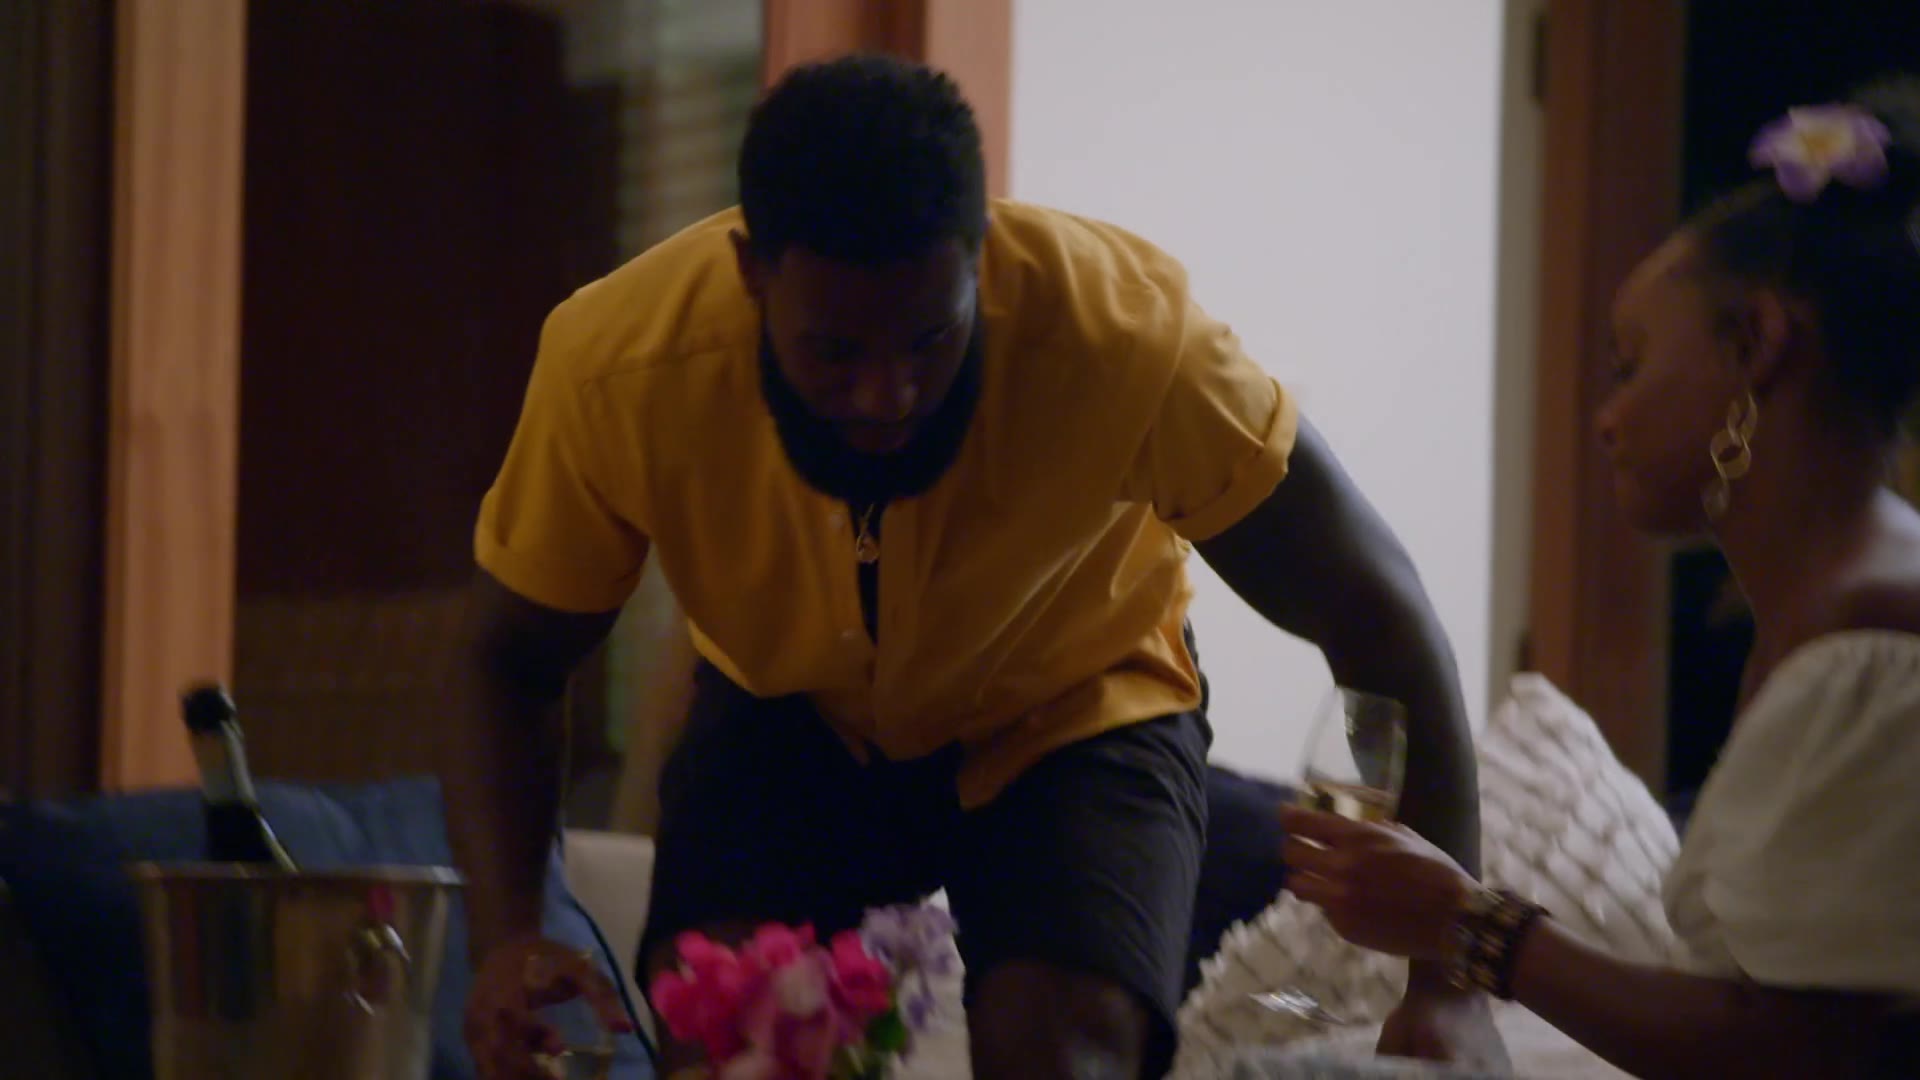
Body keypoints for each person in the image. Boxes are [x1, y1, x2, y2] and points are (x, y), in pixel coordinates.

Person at [448, 54, 1499, 1079]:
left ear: (978, 257)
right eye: (835, 352)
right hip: (786, 707)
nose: (887, 396)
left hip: (1075, 704)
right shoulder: (620, 367)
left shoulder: (1127, 338)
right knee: (727, 1037)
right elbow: (508, 659)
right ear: (753, 275)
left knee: (1064, 1050)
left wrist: (1448, 991)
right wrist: (508, 938)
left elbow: (1382, 621)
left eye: (928, 341)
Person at [1279, 79, 1920, 1080]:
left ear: (1757, 344)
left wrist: (1469, 924)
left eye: (1630, 365)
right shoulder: (1828, 615)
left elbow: (1795, 1052)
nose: (1606, 419)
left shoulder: (1871, 646)